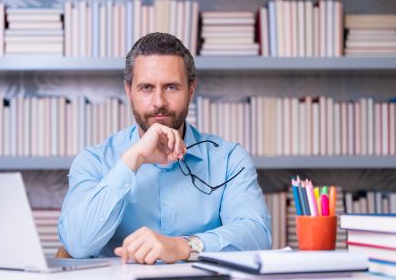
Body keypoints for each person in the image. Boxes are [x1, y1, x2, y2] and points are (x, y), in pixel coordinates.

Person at [58, 32, 271, 264]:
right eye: (146, 87)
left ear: (191, 89)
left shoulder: (229, 158)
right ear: (129, 91)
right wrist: (133, 159)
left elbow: (257, 235)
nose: (159, 102)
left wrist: (184, 247)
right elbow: (77, 244)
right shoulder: (94, 160)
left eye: (171, 87)